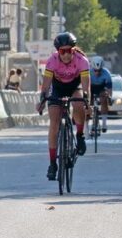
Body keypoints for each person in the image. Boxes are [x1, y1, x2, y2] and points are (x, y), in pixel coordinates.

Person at [36, 32, 91, 181]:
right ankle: (53, 163)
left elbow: (86, 87)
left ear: (74, 50)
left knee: (79, 102)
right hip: (58, 88)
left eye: (69, 51)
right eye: (62, 51)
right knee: (54, 123)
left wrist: (88, 103)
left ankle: (80, 136)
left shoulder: (82, 61)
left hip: (74, 86)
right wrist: (41, 100)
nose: (66, 55)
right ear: (57, 51)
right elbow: (46, 85)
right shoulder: (52, 61)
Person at [89, 56, 113, 135]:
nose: (97, 73)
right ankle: (89, 121)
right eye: (95, 70)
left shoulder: (106, 73)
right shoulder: (89, 72)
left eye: (99, 70)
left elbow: (109, 87)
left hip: (101, 88)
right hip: (91, 88)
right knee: (88, 103)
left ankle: (104, 123)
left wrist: (109, 97)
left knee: (104, 99)